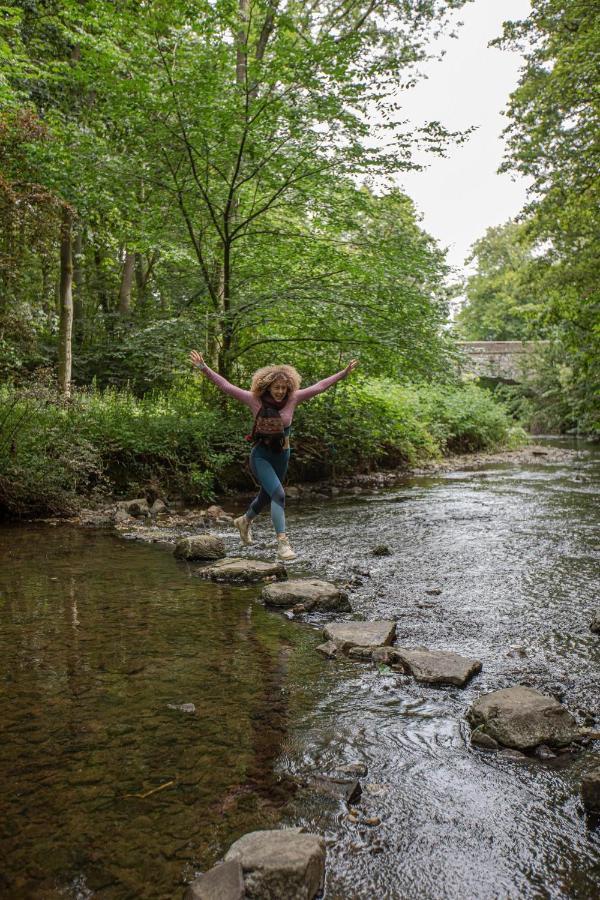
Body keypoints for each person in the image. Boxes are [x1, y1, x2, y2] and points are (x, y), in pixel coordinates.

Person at [190, 351, 358, 560]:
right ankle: (283, 544)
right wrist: (204, 368)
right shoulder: (254, 400)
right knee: (279, 494)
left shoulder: (293, 398)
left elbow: (319, 387)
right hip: (261, 456)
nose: (280, 392)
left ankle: (244, 521)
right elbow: (226, 386)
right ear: (267, 386)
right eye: (276, 388)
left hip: (283, 456)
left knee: (267, 495)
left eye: (283, 388)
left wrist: (343, 373)